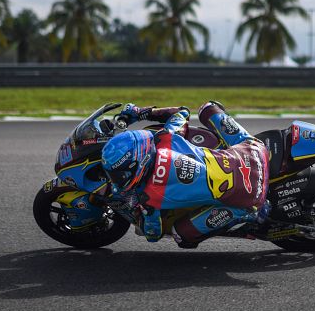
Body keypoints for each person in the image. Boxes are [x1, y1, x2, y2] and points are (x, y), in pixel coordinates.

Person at [101, 101, 270, 248]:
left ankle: (250, 215)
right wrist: (141, 113)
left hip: (250, 196)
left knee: (181, 236)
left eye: (119, 174)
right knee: (208, 107)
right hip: (254, 149)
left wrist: (135, 210)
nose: (116, 179)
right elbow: (182, 112)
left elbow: (152, 234)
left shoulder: (149, 197)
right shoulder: (166, 137)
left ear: (140, 163)